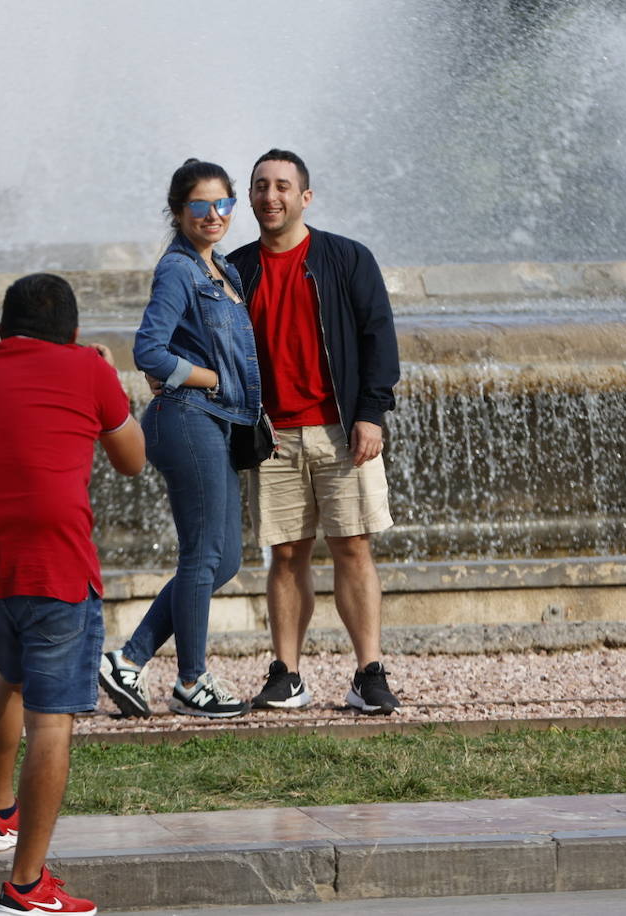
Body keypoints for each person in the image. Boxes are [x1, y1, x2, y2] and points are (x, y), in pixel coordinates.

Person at [0, 272, 144, 916]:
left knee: (11, 675)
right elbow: (132, 460)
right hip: (53, 566)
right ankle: (26, 889)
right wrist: (109, 375)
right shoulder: (87, 369)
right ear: (74, 332)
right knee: (53, 719)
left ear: (2, 329)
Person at [226, 149, 403, 716]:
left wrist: (371, 413)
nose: (269, 196)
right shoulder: (235, 268)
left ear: (305, 196)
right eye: (259, 186)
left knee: (353, 548)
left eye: (282, 186)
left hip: (340, 430)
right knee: (285, 555)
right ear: (249, 197)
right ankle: (287, 674)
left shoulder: (346, 258)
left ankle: (368, 672)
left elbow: (379, 338)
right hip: (272, 436)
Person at [98, 158, 262, 719]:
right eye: (200, 206)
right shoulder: (178, 270)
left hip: (216, 422)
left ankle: (128, 657)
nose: (213, 215)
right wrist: (209, 377)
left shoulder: (223, 272)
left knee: (226, 560)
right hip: (186, 418)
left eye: (223, 204)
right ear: (178, 211)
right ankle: (192, 680)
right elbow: (149, 350)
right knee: (202, 554)